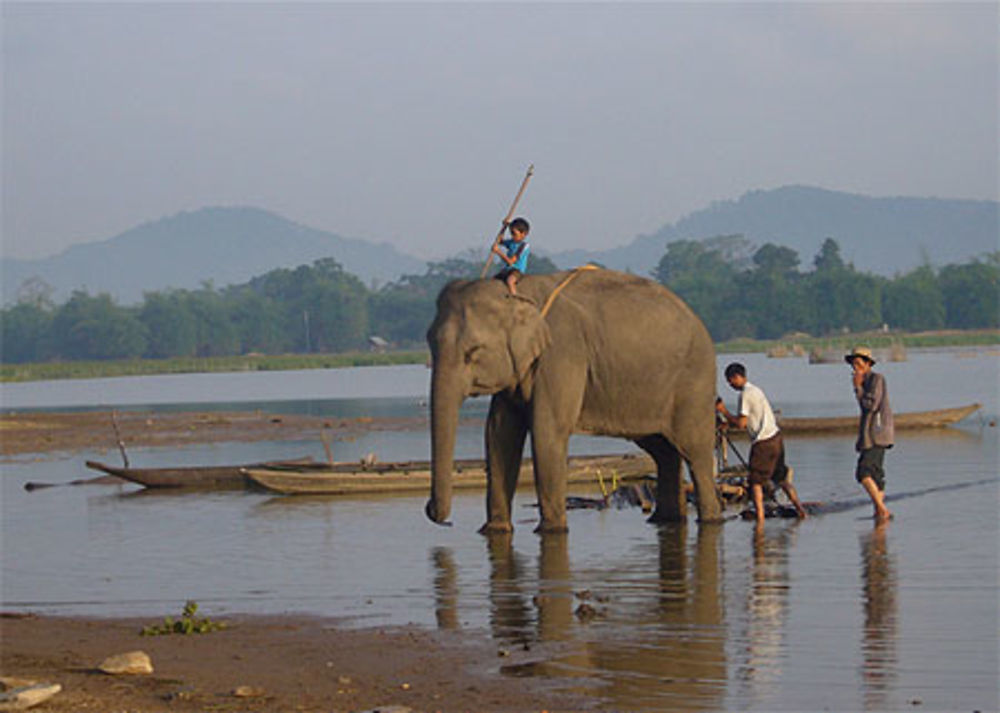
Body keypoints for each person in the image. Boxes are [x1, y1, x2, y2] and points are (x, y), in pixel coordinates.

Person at [716, 362, 808, 523]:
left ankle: (760, 519)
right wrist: (727, 423)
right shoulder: (756, 390)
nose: (730, 384)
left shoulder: (745, 394)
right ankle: (801, 510)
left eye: (730, 381)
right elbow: (749, 419)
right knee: (781, 479)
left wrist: (723, 411)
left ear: (737, 377)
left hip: (763, 442)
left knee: (755, 482)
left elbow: (741, 424)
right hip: (776, 438)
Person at [846, 346, 894, 521]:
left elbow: (870, 406)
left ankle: (882, 510)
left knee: (863, 473)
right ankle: (878, 513)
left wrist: (858, 388)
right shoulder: (866, 381)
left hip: (877, 434)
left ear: (868, 364)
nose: (855, 368)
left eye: (859, 364)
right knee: (876, 475)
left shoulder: (876, 379)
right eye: (854, 364)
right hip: (870, 434)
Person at [491, 217, 530, 295]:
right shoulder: (511, 242)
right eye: (511, 233)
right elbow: (500, 240)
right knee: (493, 280)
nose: (512, 236)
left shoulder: (523, 246)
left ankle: (514, 297)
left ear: (523, 234)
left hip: (517, 271)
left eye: (514, 234)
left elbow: (511, 262)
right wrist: (504, 227)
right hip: (507, 270)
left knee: (510, 281)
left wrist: (498, 252)